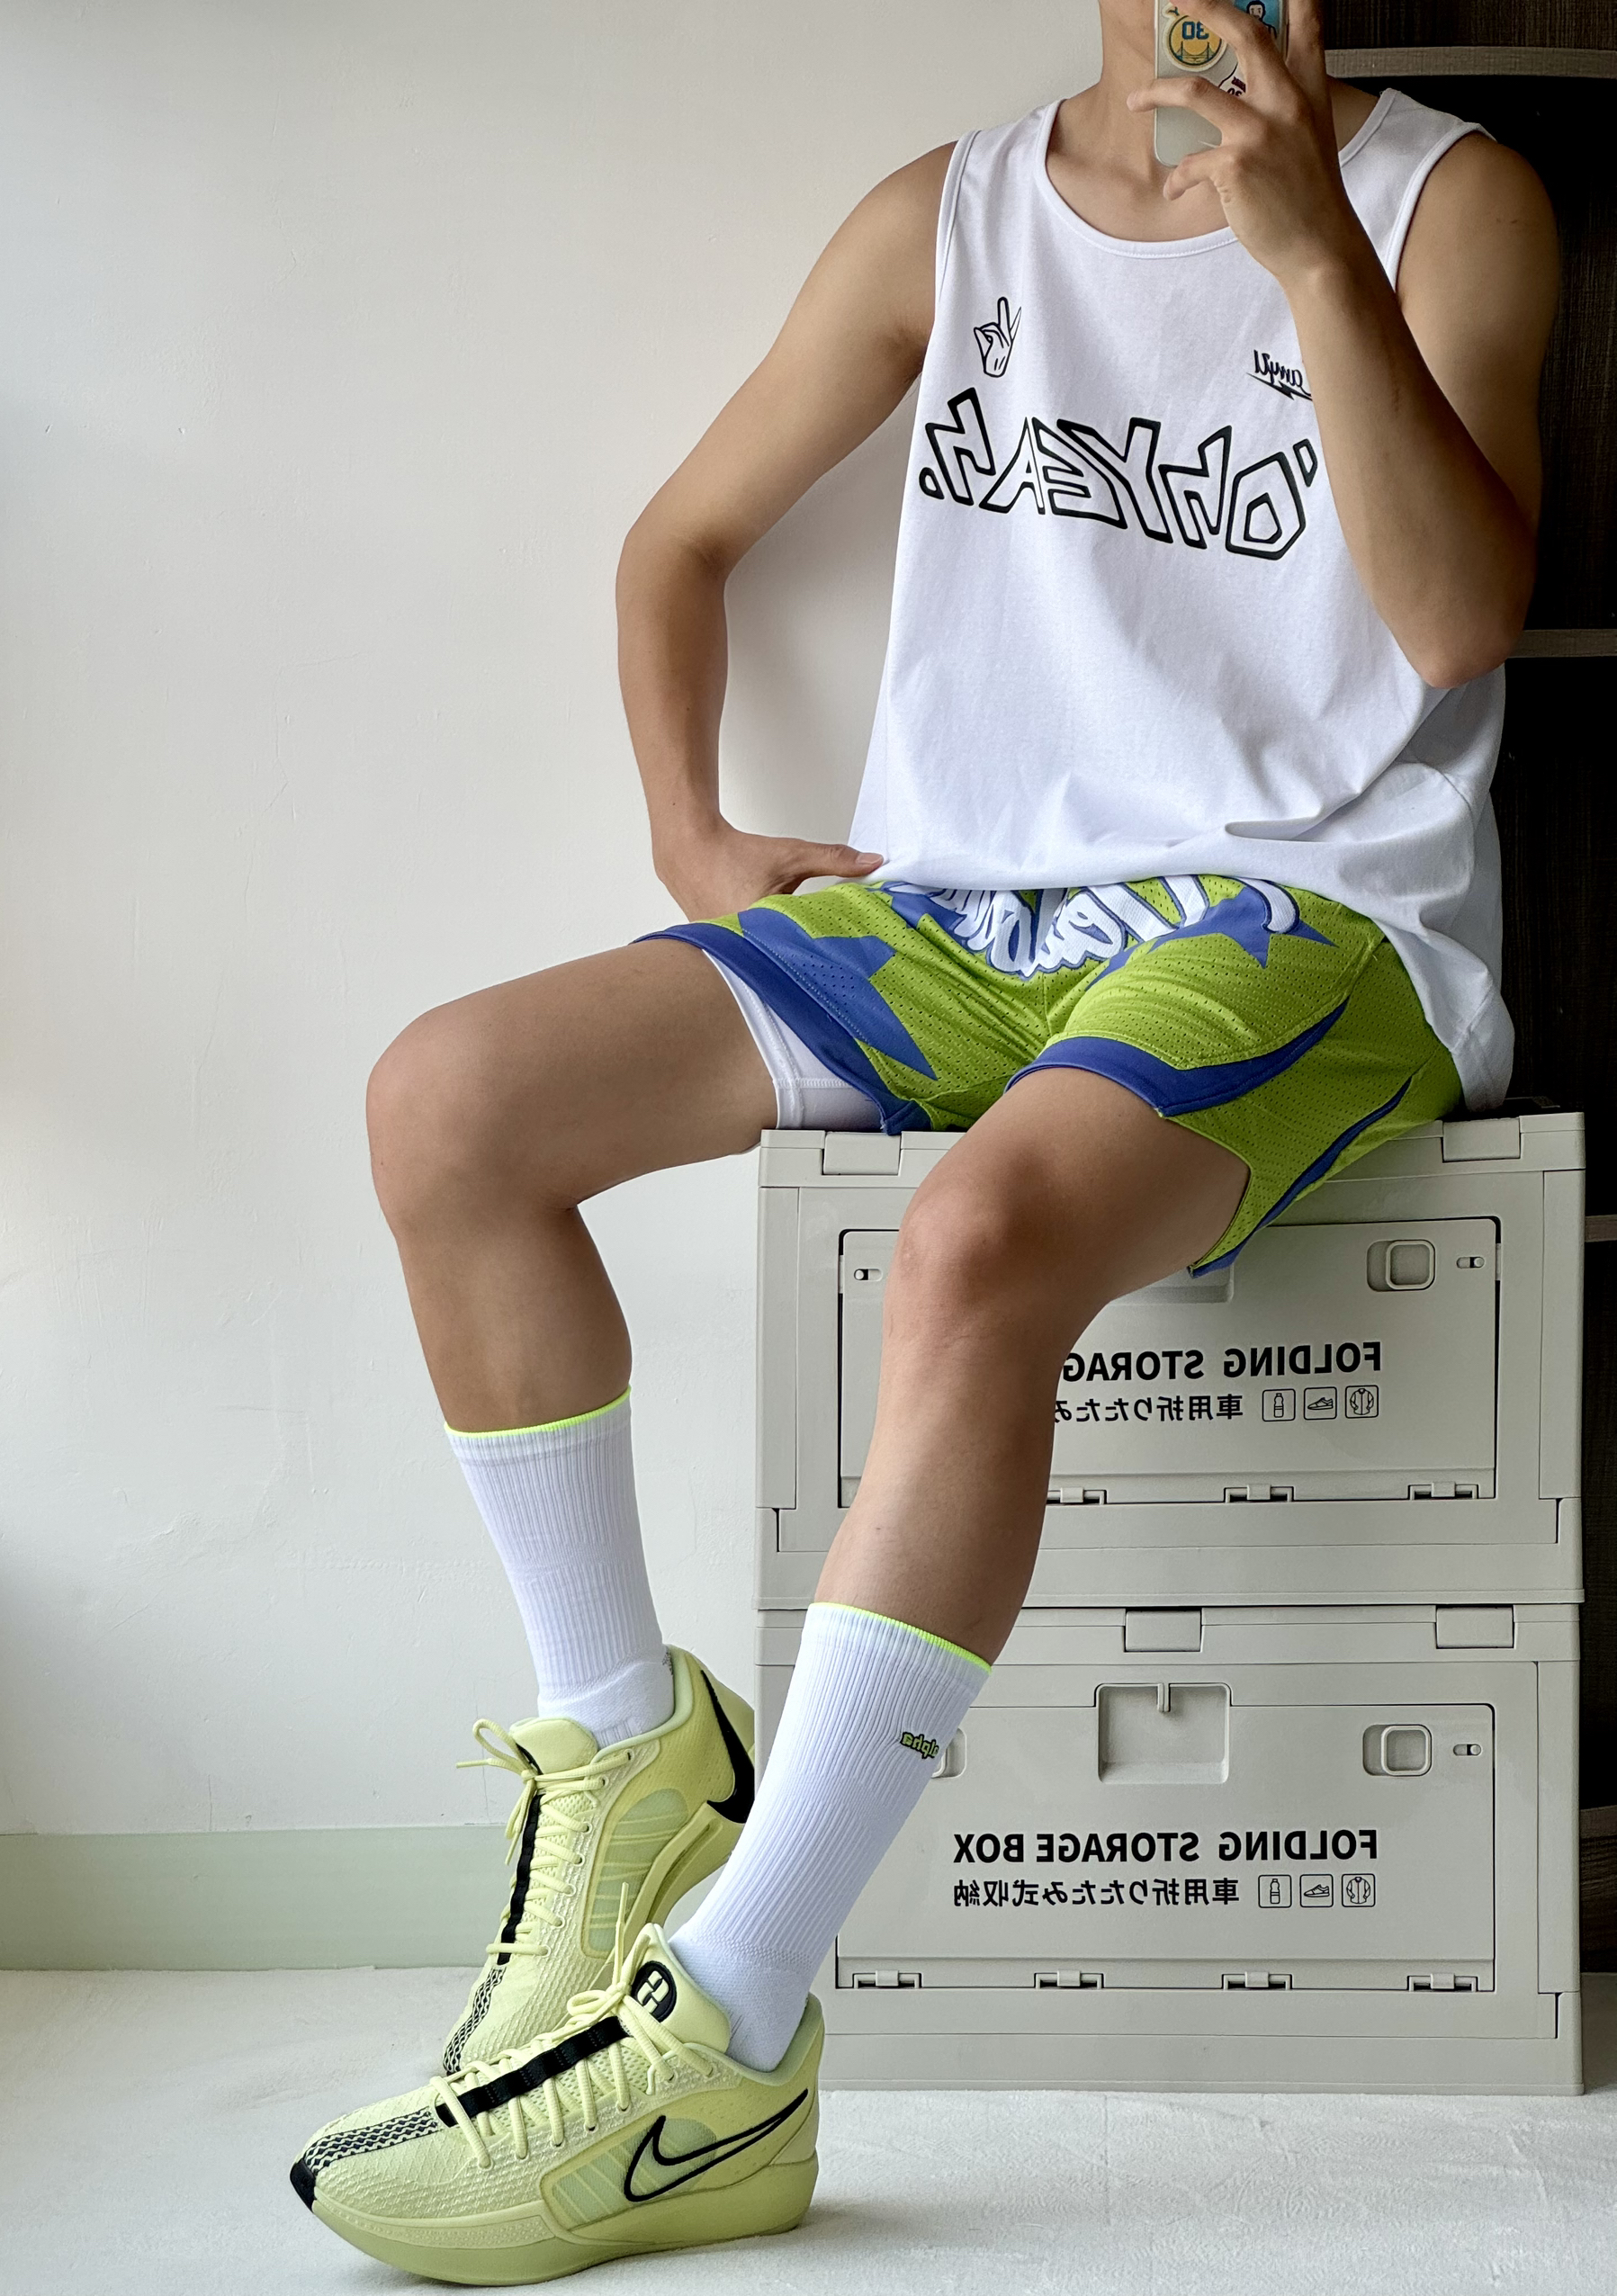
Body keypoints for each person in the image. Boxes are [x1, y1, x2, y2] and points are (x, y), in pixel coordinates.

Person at [291, 0, 1556, 2277]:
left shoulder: (1450, 204)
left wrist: (1304, 255)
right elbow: (676, 545)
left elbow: (1462, 626)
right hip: (965, 916)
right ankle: (629, 1760)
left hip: (1303, 916)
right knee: (447, 1104)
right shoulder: (946, 216)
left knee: (974, 1240)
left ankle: (731, 2029)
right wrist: (694, 835)